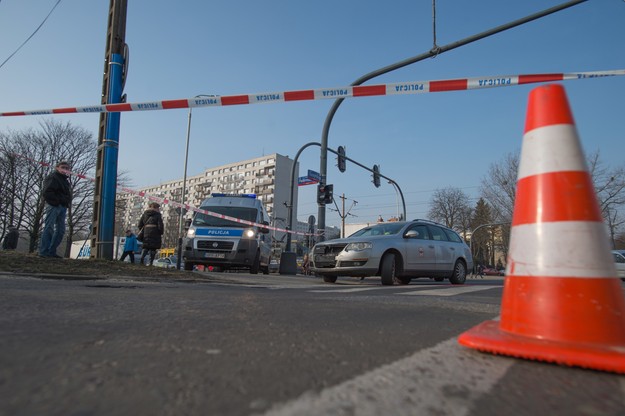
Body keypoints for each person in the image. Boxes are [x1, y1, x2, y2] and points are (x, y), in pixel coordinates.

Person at [39, 161, 72, 258]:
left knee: (61, 230)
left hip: (62, 207)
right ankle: (44, 251)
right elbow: (47, 192)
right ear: (57, 167)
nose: (65, 169)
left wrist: (66, 203)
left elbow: (67, 194)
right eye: (63, 167)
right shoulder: (53, 177)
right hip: (54, 205)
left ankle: (51, 251)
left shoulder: (65, 181)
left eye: (67, 168)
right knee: (49, 227)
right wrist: (56, 202)